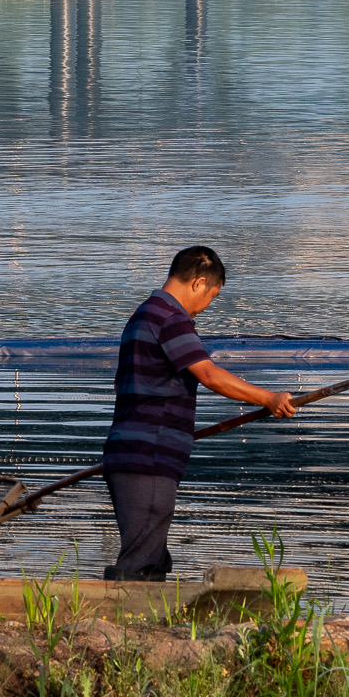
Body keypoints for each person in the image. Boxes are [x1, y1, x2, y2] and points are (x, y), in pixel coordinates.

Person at [102, 245, 295, 581]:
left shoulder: (143, 315)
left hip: (130, 451)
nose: (206, 307)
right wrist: (268, 398)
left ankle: (151, 626)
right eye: (211, 297)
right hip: (149, 455)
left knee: (155, 558)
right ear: (198, 283)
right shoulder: (171, 318)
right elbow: (208, 374)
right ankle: (117, 624)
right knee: (140, 564)